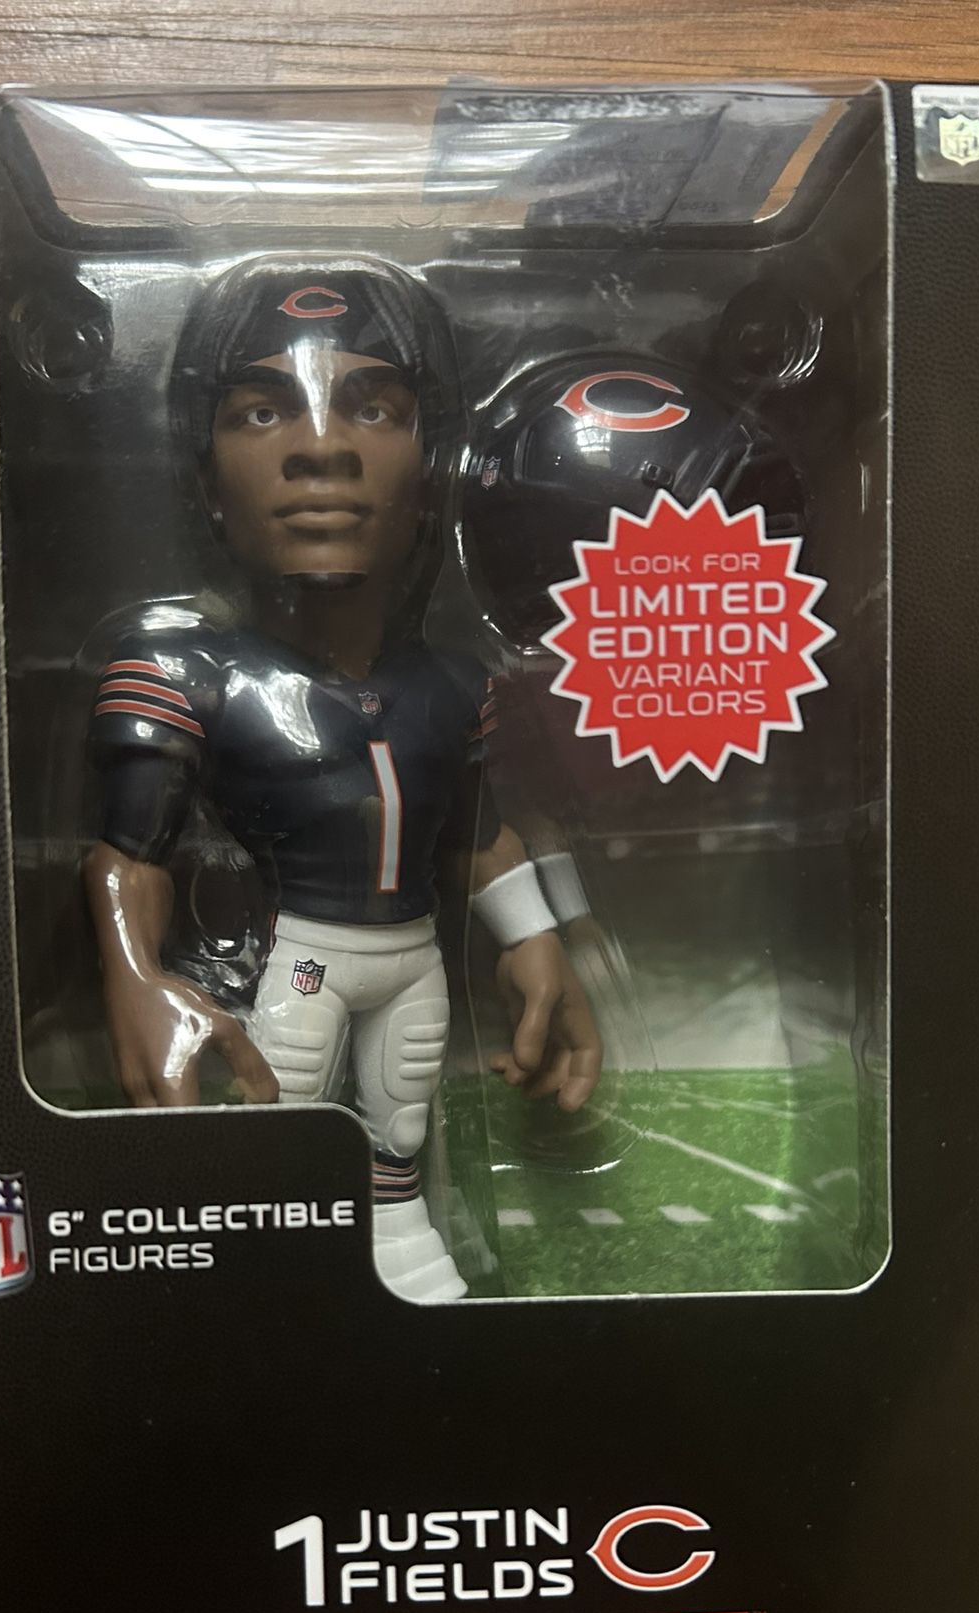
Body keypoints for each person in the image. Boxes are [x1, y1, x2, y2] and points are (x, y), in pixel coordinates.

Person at [84, 256, 601, 1303]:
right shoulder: (186, 674)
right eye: (260, 410)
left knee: (401, 1120)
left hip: (411, 955)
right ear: (205, 478)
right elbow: (128, 852)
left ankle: (403, 1267)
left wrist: (536, 939)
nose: (321, 446)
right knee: (282, 1115)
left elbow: (477, 833)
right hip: (299, 956)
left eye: (374, 408)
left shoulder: (451, 683)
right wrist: (133, 977)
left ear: (432, 468)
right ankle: (276, 1288)